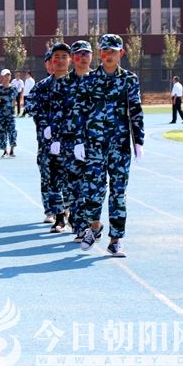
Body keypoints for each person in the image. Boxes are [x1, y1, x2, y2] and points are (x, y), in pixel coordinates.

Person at [72, 34, 145, 257]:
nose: (109, 55)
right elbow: (79, 111)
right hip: (94, 145)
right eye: (105, 51)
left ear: (121, 53)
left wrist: (138, 140)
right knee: (92, 191)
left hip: (119, 145)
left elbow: (135, 110)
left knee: (118, 192)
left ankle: (115, 240)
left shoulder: (129, 80)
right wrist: (78, 140)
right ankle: (95, 227)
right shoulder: (88, 80)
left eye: (113, 51)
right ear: (100, 53)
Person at [49, 40, 94, 240]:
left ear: (92, 56)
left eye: (86, 53)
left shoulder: (98, 80)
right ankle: (79, 226)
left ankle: (92, 222)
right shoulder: (64, 83)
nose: (82, 58)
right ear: (73, 58)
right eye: (78, 54)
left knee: (93, 186)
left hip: (94, 141)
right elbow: (57, 113)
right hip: (69, 141)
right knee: (73, 186)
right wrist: (56, 139)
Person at [25, 51, 57, 224]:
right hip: (45, 142)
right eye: (49, 61)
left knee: (68, 177)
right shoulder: (40, 87)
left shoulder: (72, 84)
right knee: (47, 175)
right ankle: (50, 210)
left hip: (68, 141)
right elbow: (30, 106)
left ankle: (66, 209)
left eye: (56, 59)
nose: (53, 64)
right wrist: (45, 123)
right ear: (45, 64)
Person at [0, 69, 18, 157]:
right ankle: (4, 150)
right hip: (1, 114)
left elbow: (14, 99)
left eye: (8, 75)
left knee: (12, 131)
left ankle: (12, 150)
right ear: (2, 77)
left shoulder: (14, 88)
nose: (7, 77)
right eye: (5, 75)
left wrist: (14, 109)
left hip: (11, 114)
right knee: (2, 132)